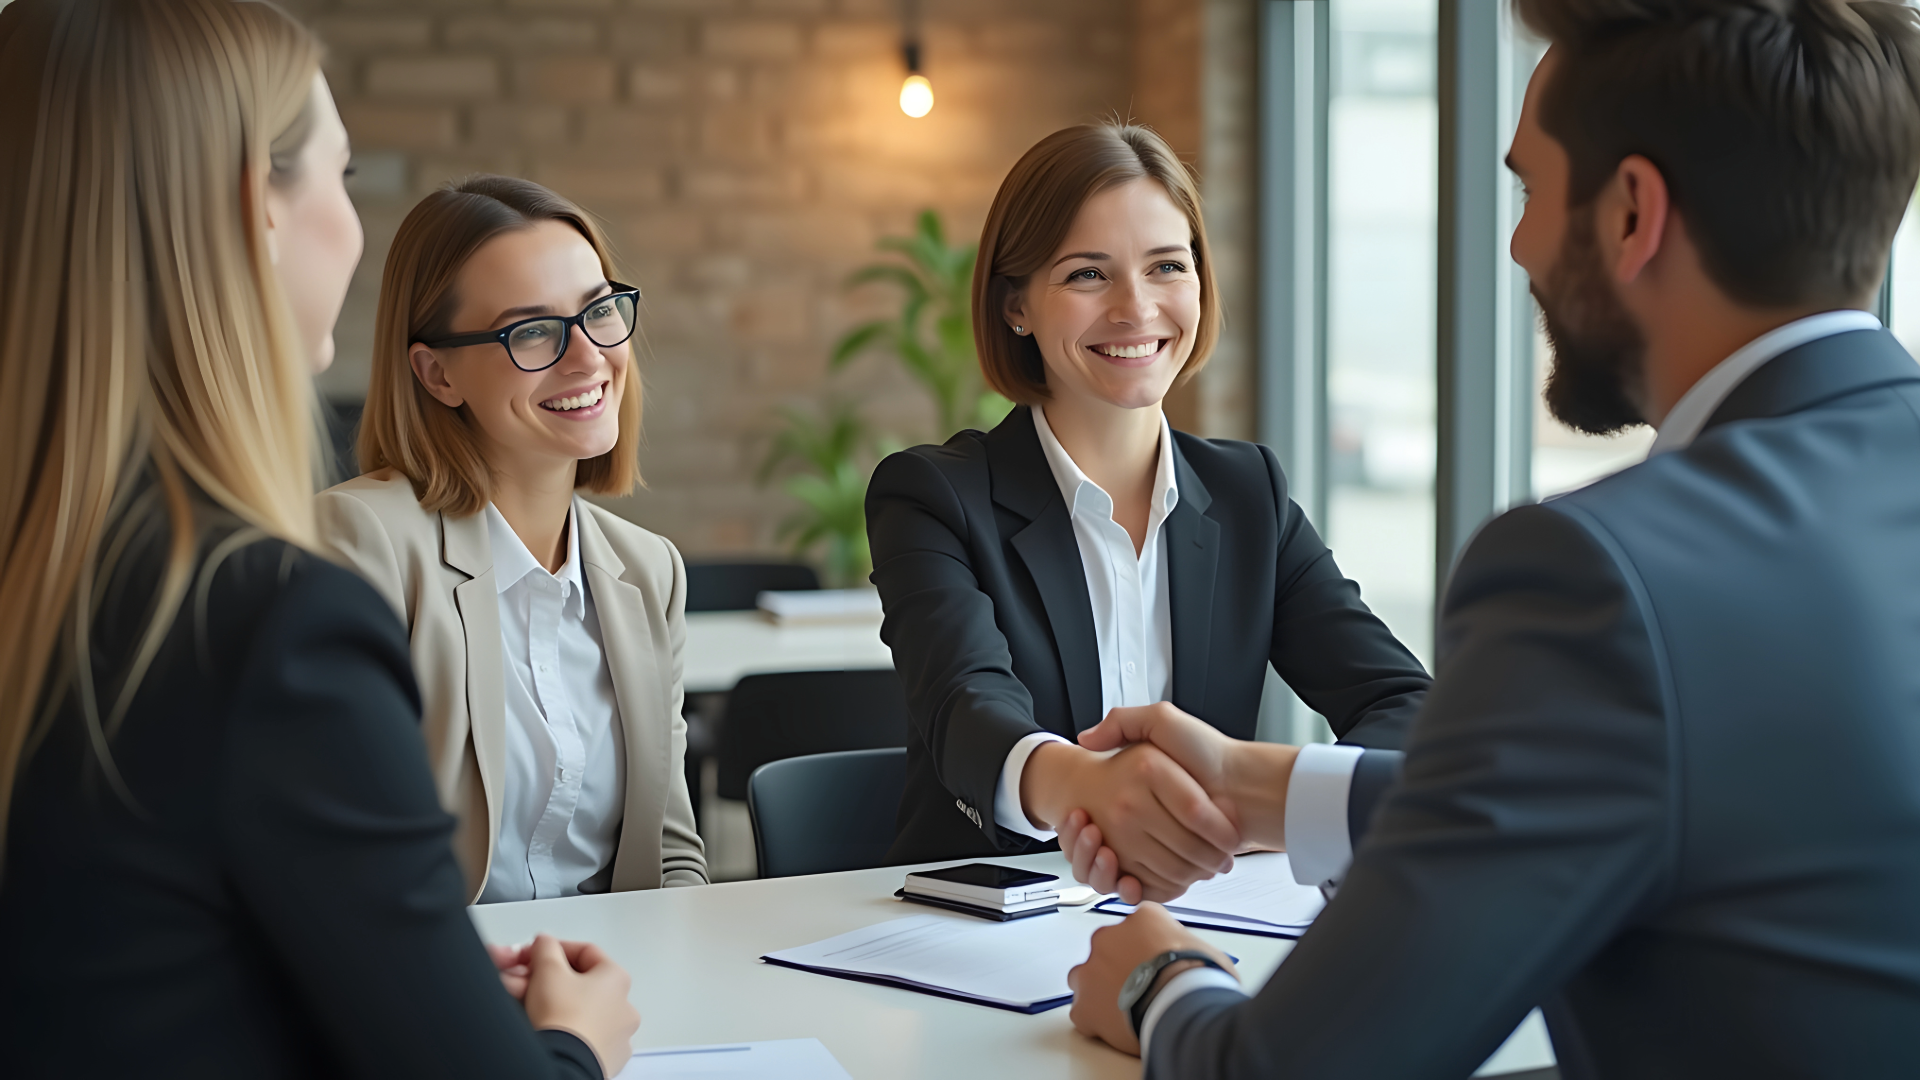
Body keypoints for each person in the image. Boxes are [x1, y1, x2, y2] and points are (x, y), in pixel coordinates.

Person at [1061, 0, 1920, 1075]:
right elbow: (1731, 800)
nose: (1516, 246)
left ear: (1630, 213)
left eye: (1527, 191)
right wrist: (1264, 790)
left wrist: (1156, 978)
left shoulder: (1604, 579)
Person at [0, 2, 637, 1076]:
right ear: (259, 210)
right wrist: (578, 1044)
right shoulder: (270, 626)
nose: (352, 221)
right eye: (340, 177)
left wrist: (394, 963)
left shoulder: (61, 577)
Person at [865, 122, 1432, 893]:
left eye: (1167, 265)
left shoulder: (1248, 495)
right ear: (1016, 307)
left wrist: (1272, 805)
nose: (1137, 309)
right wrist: (1085, 789)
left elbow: (1403, 701)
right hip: (981, 927)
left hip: (1206, 921)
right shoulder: (933, 496)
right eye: (1087, 276)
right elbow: (966, 709)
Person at [315, 175, 706, 904]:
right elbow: (337, 862)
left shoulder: (649, 572)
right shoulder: (359, 544)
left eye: (599, 312)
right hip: (440, 992)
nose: (588, 358)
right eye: (531, 331)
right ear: (436, 374)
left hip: (614, 998)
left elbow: (671, 855)